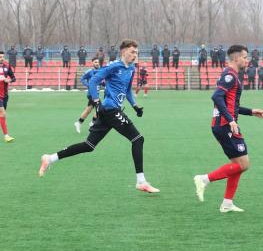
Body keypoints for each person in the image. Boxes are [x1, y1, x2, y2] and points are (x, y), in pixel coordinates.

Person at [39, 39, 159, 193]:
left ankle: (50, 158)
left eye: (137, 52)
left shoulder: (131, 69)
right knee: (138, 139)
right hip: (110, 110)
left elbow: (128, 90)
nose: (135, 55)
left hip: (112, 111)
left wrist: (135, 106)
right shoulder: (114, 66)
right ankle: (141, 181)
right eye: (132, 52)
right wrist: (96, 101)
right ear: (124, 52)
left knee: (88, 146)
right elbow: (94, 81)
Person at [193, 45, 263, 213]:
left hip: (225, 124)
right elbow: (216, 96)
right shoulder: (230, 76)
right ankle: (204, 179)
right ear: (235, 58)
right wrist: (231, 120)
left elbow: (230, 105)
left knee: (238, 164)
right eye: (245, 57)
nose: (247, 60)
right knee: (243, 164)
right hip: (225, 125)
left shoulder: (232, 75)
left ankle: (227, 203)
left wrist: (250, 112)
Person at [74, 57, 102, 133]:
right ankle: (92, 123)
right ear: (92, 63)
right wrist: (88, 85)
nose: (97, 63)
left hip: (96, 94)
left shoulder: (100, 71)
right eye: (95, 62)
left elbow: (101, 81)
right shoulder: (90, 71)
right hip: (92, 94)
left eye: (98, 62)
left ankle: (79, 123)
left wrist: (103, 83)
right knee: (100, 108)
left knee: (88, 110)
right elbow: (82, 79)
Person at [0, 51, 16, 143]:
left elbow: (14, 78)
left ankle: (6, 135)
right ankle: (6, 136)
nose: (1, 58)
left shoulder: (7, 66)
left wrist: (8, 80)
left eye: (2, 57)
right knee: (2, 113)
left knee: (2, 115)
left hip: (5, 95)